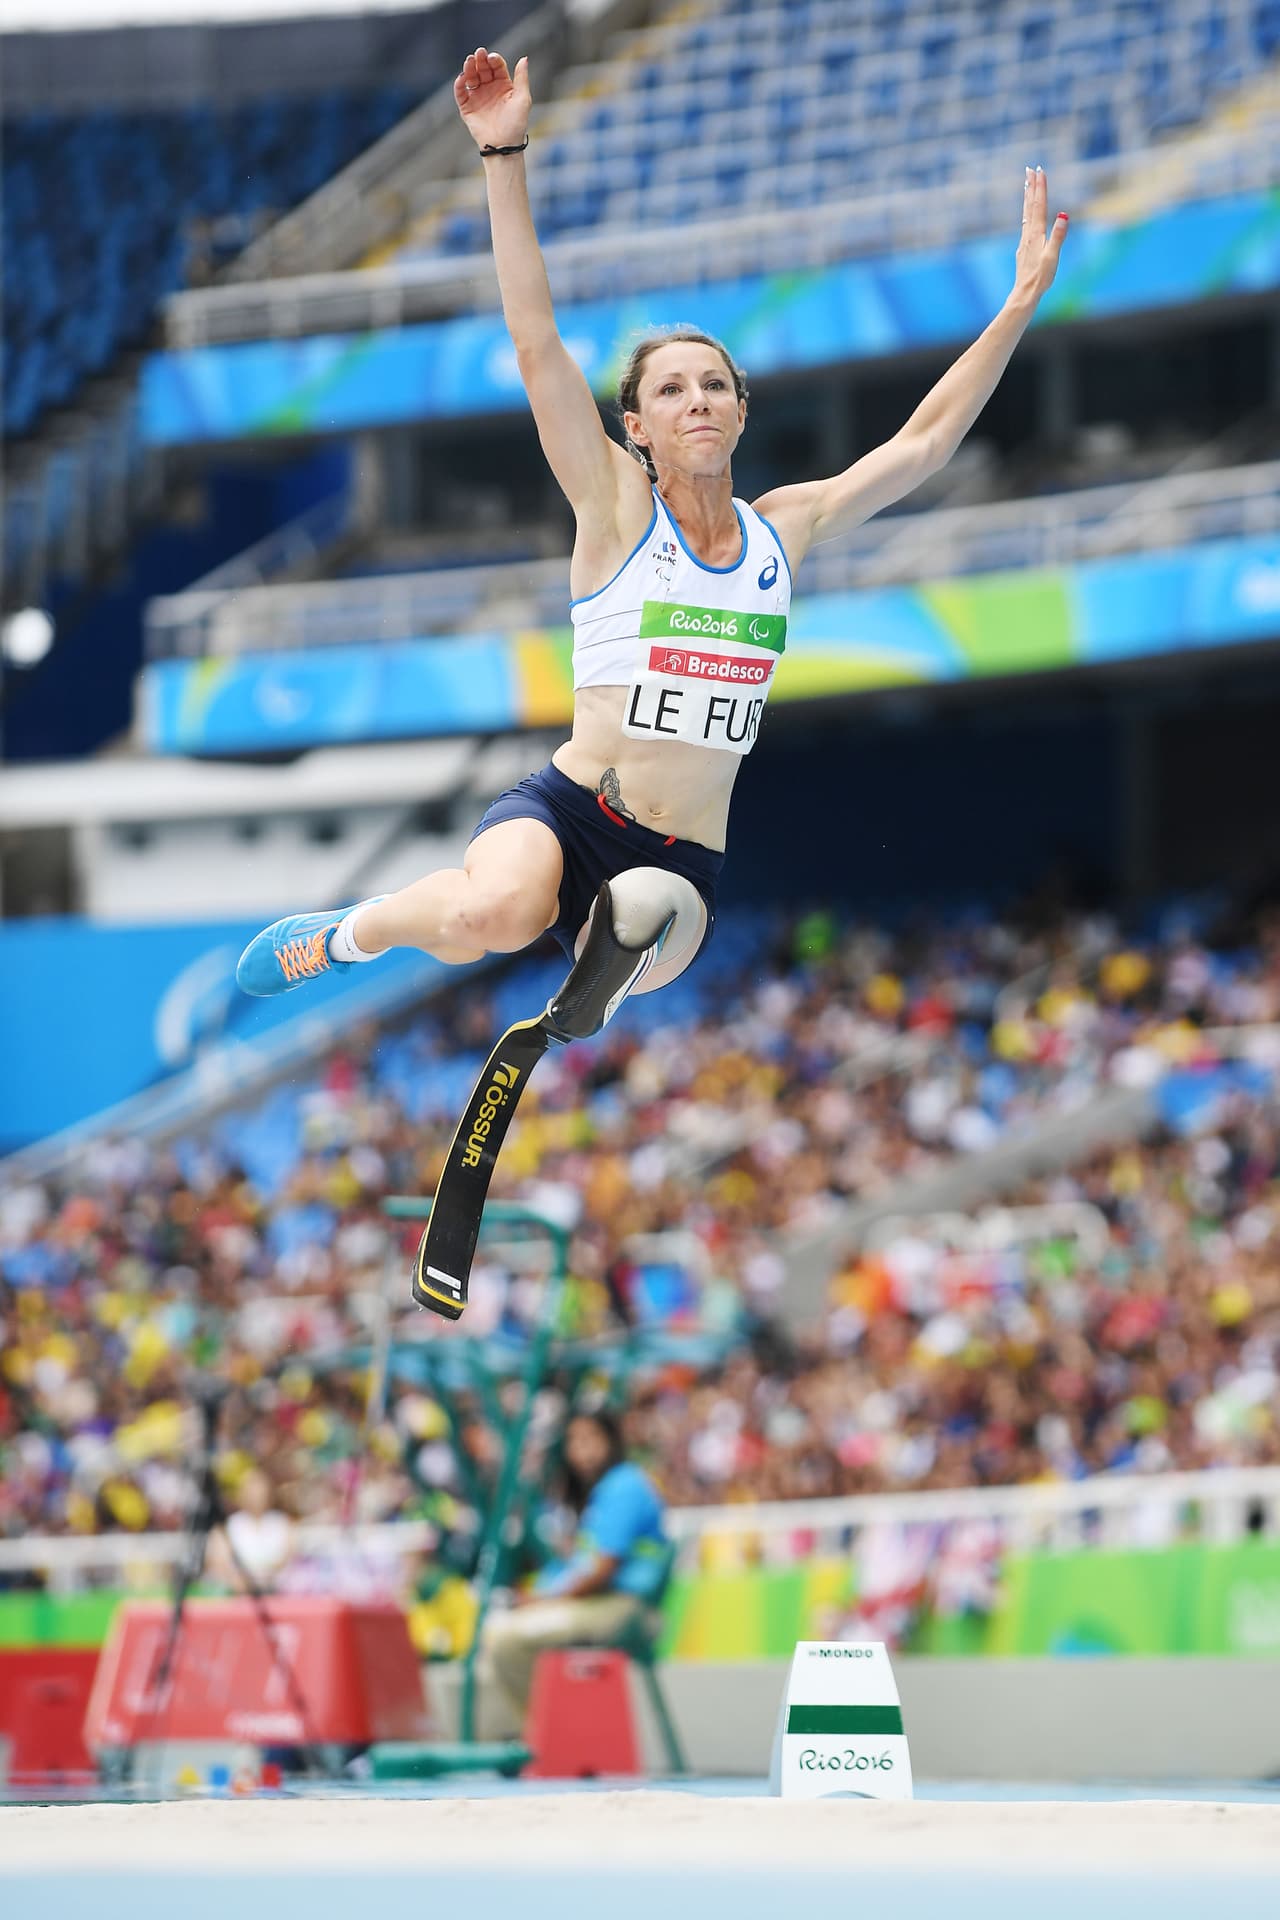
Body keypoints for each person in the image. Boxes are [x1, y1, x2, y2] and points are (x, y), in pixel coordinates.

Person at [237, 46, 1067, 1005]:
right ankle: (350, 933)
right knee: (491, 916)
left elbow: (923, 444)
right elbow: (536, 344)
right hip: (563, 806)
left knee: (630, 915)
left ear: (742, 412)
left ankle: (589, 985)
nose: (698, 400)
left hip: (680, 867)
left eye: (715, 384)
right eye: (672, 389)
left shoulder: (782, 531)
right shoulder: (614, 504)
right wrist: (503, 158)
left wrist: (1016, 305)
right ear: (637, 426)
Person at [479, 1408, 668, 1728]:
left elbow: (600, 1571)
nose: (583, 1450)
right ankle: (556, 1736)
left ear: (612, 1440)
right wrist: (538, 1594)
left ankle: (554, 1737)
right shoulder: (597, 1495)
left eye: (591, 1438)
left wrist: (546, 1601)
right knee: (500, 1629)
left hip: (621, 1608)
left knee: (506, 1640)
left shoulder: (624, 1485)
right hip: (599, 1604)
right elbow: (579, 1566)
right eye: (575, 1441)